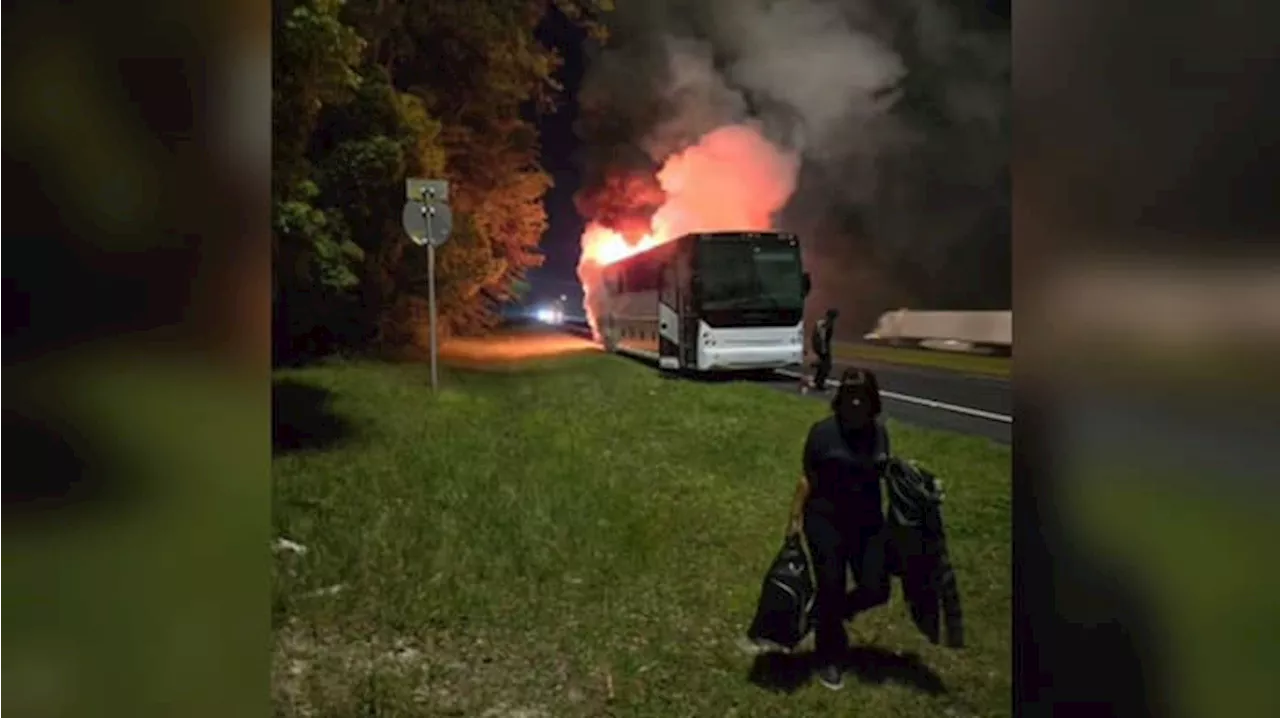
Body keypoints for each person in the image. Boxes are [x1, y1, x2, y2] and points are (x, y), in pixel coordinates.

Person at [786, 367, 889, 690]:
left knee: (877, 588)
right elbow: (807, 479)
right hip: (826, 521)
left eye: (863, 397)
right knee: (831, 585)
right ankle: (829, 656)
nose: (856, 403)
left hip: (868, 524)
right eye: (850, 396)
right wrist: (794, 521)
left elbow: (884, 472)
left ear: (873, 401)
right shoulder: (822, 433)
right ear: (840, 399)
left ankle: (825, 613)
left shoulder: (880, 433)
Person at [803, 309, 838, 394]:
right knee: (826, 366)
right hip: (823, 348)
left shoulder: (820, 322)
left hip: (819, 346)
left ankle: (817, 380)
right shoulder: (827, 324)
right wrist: (823, 350)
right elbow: (823, 337)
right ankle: (819, 384)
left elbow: (815, 336)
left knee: (823, 365)